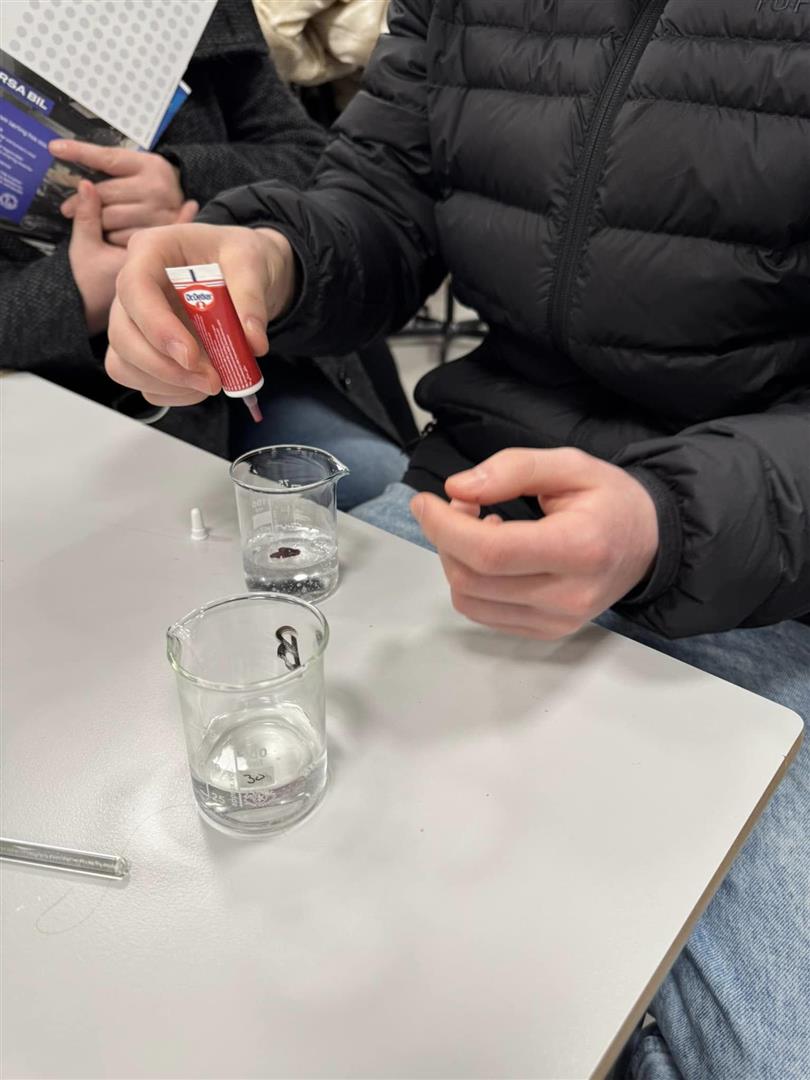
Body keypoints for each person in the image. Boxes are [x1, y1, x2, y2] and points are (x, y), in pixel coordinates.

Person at [104, 2, 809, 1076]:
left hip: (760, 574)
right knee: (210, 934)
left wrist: (668, 522)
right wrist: (272, 257)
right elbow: (387, 194)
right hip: (469, 513)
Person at [0, 0, 415, 507]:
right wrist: (76, 293)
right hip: (67, 403)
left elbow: (316, 166)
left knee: (386, 493)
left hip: (266, 356)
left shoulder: (188, 12)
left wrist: (186, 178)